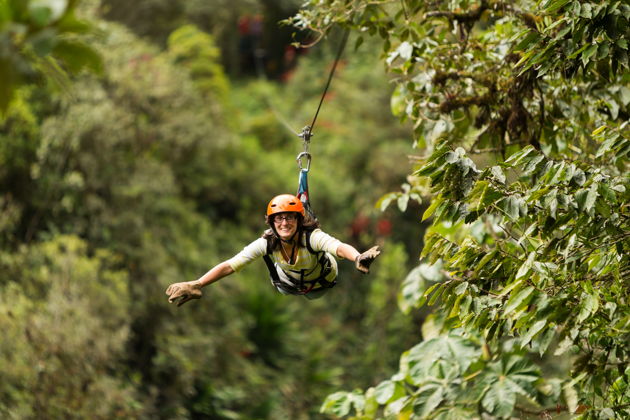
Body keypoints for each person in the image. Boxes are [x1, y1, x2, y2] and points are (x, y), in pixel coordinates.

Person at [166, 194, 381, 306]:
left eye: (289, 217)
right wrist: (198, 283)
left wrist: (357, 257)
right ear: (272, 223)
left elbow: (338, 247)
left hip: (320, 285)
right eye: (278, 219)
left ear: (299, 219)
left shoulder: (312, 238)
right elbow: (232, 264)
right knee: (278, 278)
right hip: (287, 285)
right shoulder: (267, 243)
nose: (284, 223)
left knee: (314, 289)